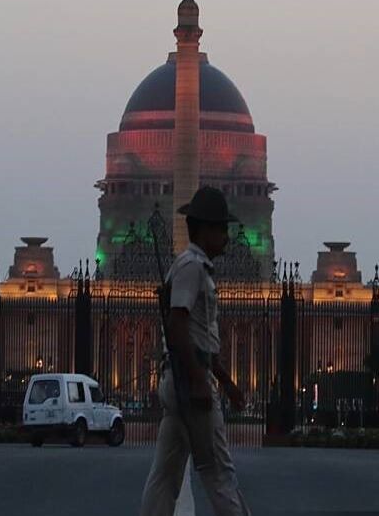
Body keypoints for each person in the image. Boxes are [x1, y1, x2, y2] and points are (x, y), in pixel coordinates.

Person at [140, 186, 251, 516]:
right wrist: (200, 382)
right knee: (218, 471)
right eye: (222, 229)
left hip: (181, 379)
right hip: (189, 382)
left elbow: (199, 338)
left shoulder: (189, 266)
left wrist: (227, 383)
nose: (227, 237)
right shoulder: (191, 267)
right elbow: (177, 325)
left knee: (164, 476)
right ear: (204, 229)